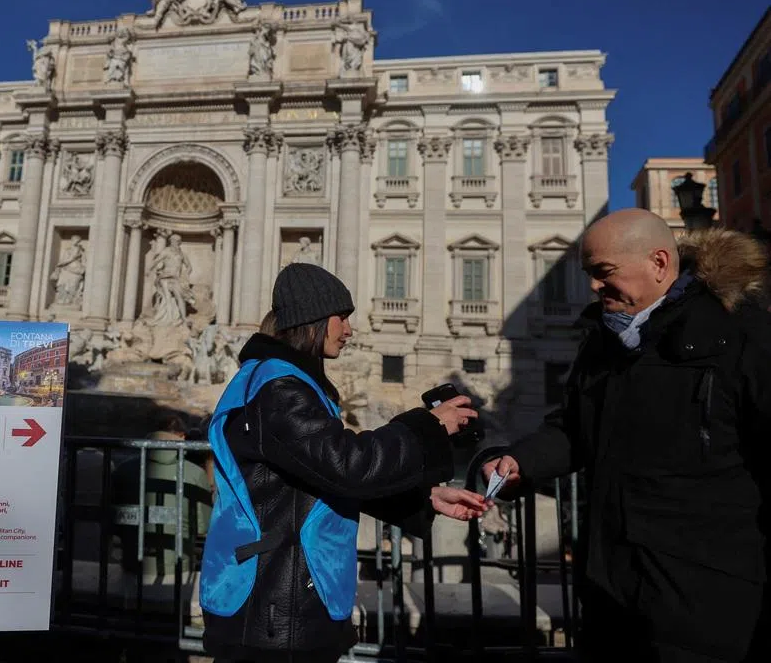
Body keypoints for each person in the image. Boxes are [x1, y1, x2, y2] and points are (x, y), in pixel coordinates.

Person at [482, 210, 771, 663]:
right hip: (610, 593)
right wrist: (521, 462)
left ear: (659, 263)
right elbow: (573, 428)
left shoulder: (741, 334)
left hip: (707, 600)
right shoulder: (602, 340)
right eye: (589, 274)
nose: (594, 287)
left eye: (604, 273)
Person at [200, 263, 487, 663]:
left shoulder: (276, 381)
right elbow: (347, 465)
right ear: (311, 319)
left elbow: (315, 479)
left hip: (277, 592)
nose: (349, 330)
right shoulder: (280, 388)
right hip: (277, 603)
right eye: (342, 317)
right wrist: (428, 426)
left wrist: (424, 496)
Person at [112, 412, 212, 579]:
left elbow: (113, 519)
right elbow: (203, 526)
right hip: (177, 568)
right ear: (182, 436)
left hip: (132, 564)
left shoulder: (123, 469)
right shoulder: (195, 473)